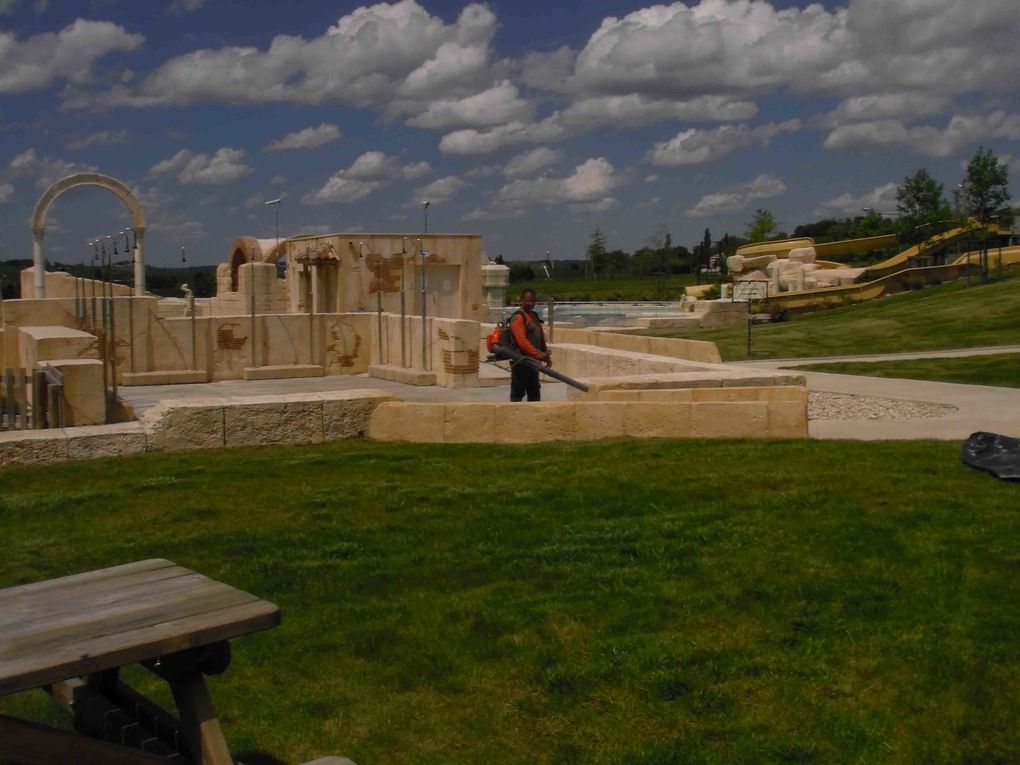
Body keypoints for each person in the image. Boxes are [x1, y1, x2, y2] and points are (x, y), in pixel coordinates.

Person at [508, 288, 550, 402]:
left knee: (534, 394)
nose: (530, 303)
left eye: (532, 301)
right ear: (521, 300)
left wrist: (546, 356)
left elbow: (540, 338)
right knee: (517, 394)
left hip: (534, 363)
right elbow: (522, 342)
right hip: (521, 363)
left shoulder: (534, 316)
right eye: (527, 300)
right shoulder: (518, 317)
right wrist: (539, 355)